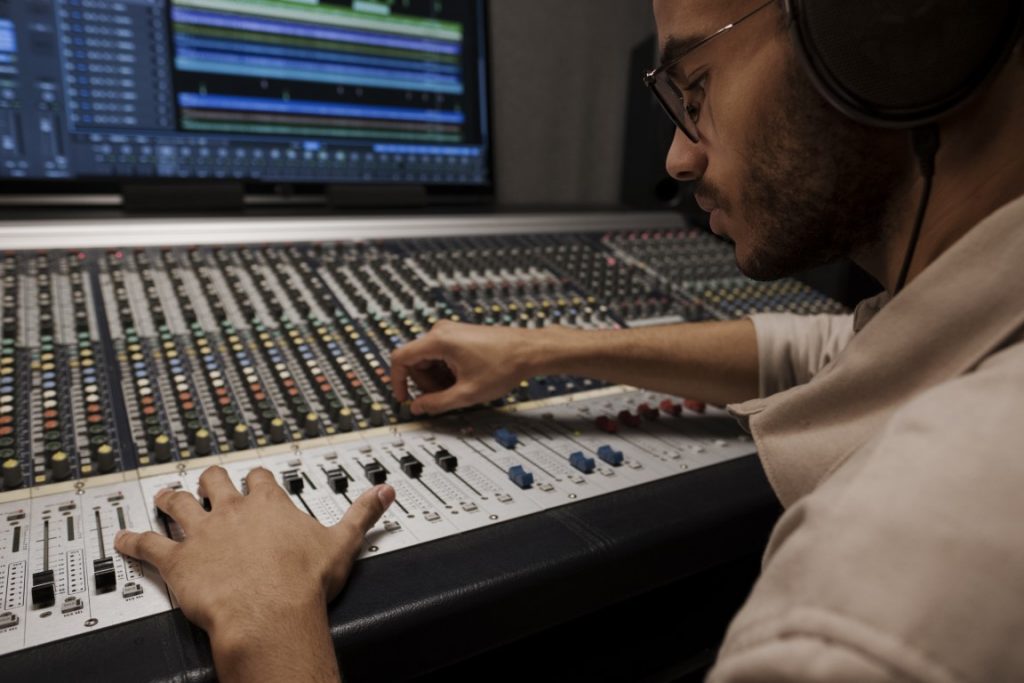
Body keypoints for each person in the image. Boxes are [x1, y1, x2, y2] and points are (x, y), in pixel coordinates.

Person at [115, 0, 1024, 680]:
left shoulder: (888, 595)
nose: (676, 156)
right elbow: (830, 350)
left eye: (695, 87)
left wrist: (267, 624)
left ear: (889, 30)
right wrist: (539, 349)